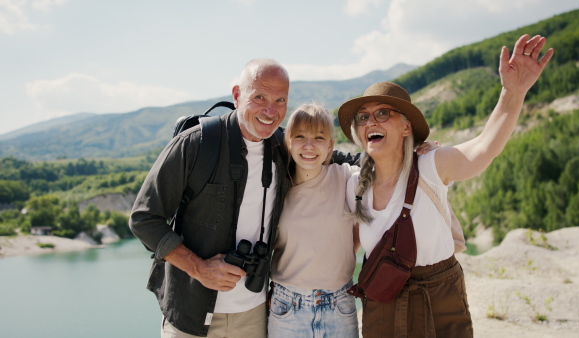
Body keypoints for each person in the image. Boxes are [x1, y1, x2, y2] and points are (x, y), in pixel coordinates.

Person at [337, 34, 553, 337]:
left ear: (406, 127)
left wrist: (512, 92)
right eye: (363, 117)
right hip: (382, 298)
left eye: (383, 113)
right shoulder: (354, 185)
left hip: (438, 295)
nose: (371, 121)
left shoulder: (430, 165)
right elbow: (348, 244)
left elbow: (485, 148)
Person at [130, 59, 291, 338]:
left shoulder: (284, 149)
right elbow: (144, 218)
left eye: (280, 100)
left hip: (253, 315)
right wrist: (199, 268)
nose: (270, 110)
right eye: (259, 97)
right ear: (237, 95)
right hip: (191, 313)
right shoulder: (196, 143)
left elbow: (333, 160)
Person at [268, 104, 360, 338]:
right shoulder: (275, 189)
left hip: (340, 305)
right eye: (300, 136)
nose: (309, 146)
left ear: (330, 146)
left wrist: (419, 150)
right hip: (287, 307)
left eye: (319, 137)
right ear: (288, 141)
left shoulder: (347, 177)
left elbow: (389, 165)